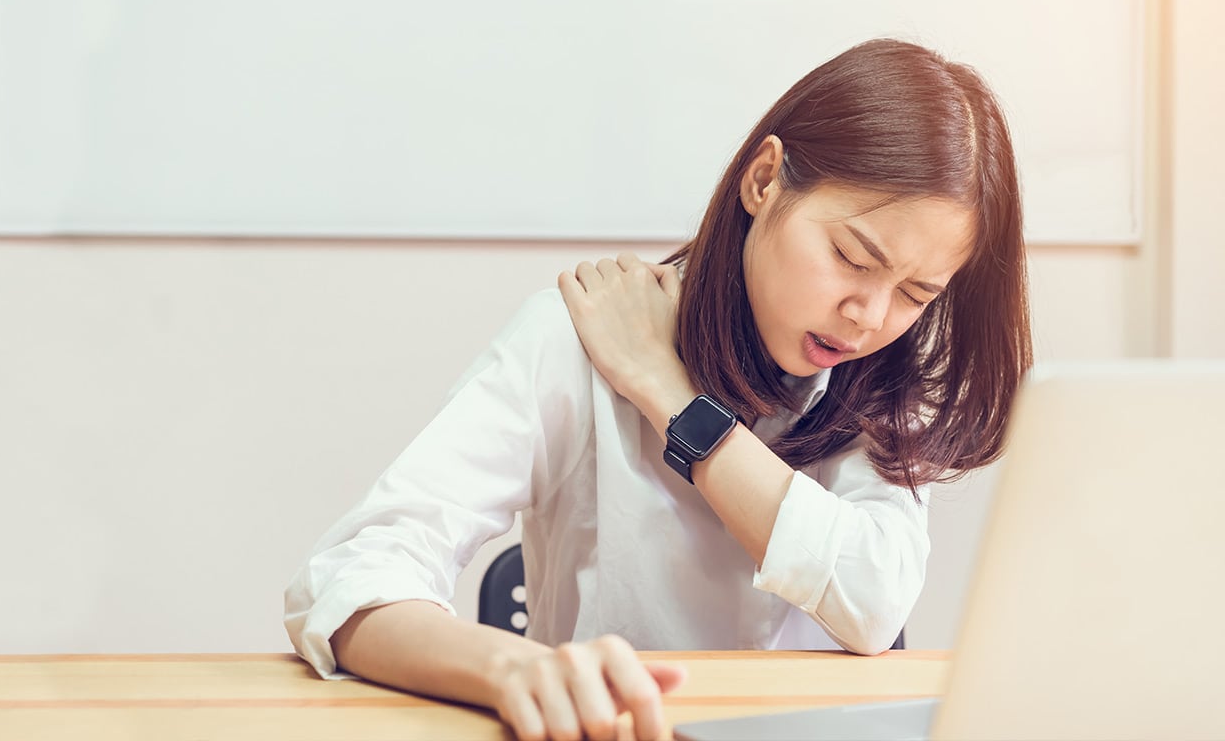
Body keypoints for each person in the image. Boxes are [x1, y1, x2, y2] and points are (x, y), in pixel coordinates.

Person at [283, 38, 1032, 741]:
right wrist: (513, 668)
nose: (869, 316)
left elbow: (872, 602)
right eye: (851, 258)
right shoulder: (574, 337)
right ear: (764, 180)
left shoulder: (884, 387)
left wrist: (672, 398)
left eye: (916, 294)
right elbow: (350, 578)